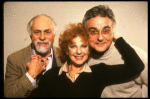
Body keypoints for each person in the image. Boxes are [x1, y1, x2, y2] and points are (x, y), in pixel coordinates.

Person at [28, 23, 144, 98]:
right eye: (73, 46)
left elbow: (137, 66)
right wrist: (31, 74)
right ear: (66, 50)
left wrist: (117, 38)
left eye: (84, 46)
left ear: (89, 50)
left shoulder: (99, 73)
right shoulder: (51, 76)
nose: (79, 51)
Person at [82, 5, 148, 98]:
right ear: (85, 33)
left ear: (113, 32)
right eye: (93, 32)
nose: (100, 38)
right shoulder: (80, 58)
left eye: (105, 31)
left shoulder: (136, 57)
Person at [4, 14, 64, 98]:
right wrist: (30, 75)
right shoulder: (14, 59)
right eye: (37, 32)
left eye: (47, 32)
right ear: (30, 35)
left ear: (54, 35)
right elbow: (9, 95)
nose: (42, 37)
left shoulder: (65, 56)